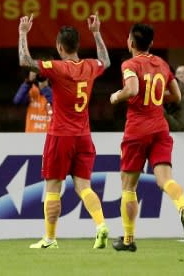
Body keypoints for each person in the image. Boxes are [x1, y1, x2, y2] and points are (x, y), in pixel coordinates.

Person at [18, 13, 111, 249]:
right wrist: (97, 32)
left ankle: (49, 238)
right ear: (77, 46)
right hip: (83, 136)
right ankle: (101, 225)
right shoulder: (91, 66)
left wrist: (23, 33)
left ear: (60, 47)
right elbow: (106, 61)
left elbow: (25, 61)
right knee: (84, 186)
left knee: (53, 187)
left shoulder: (57, 67)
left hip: (60, 135)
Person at [109, 23, 184, 251]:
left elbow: (132, 90)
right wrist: (157, 99)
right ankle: (183, 208)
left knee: (128, 187)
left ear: (131, 42)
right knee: (165, 180)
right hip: (160, 128)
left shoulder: (129, 64)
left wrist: (116, 96)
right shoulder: (162, 64)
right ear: (151, 44)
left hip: (137, 131)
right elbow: (176, 96)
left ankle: (128, 240)